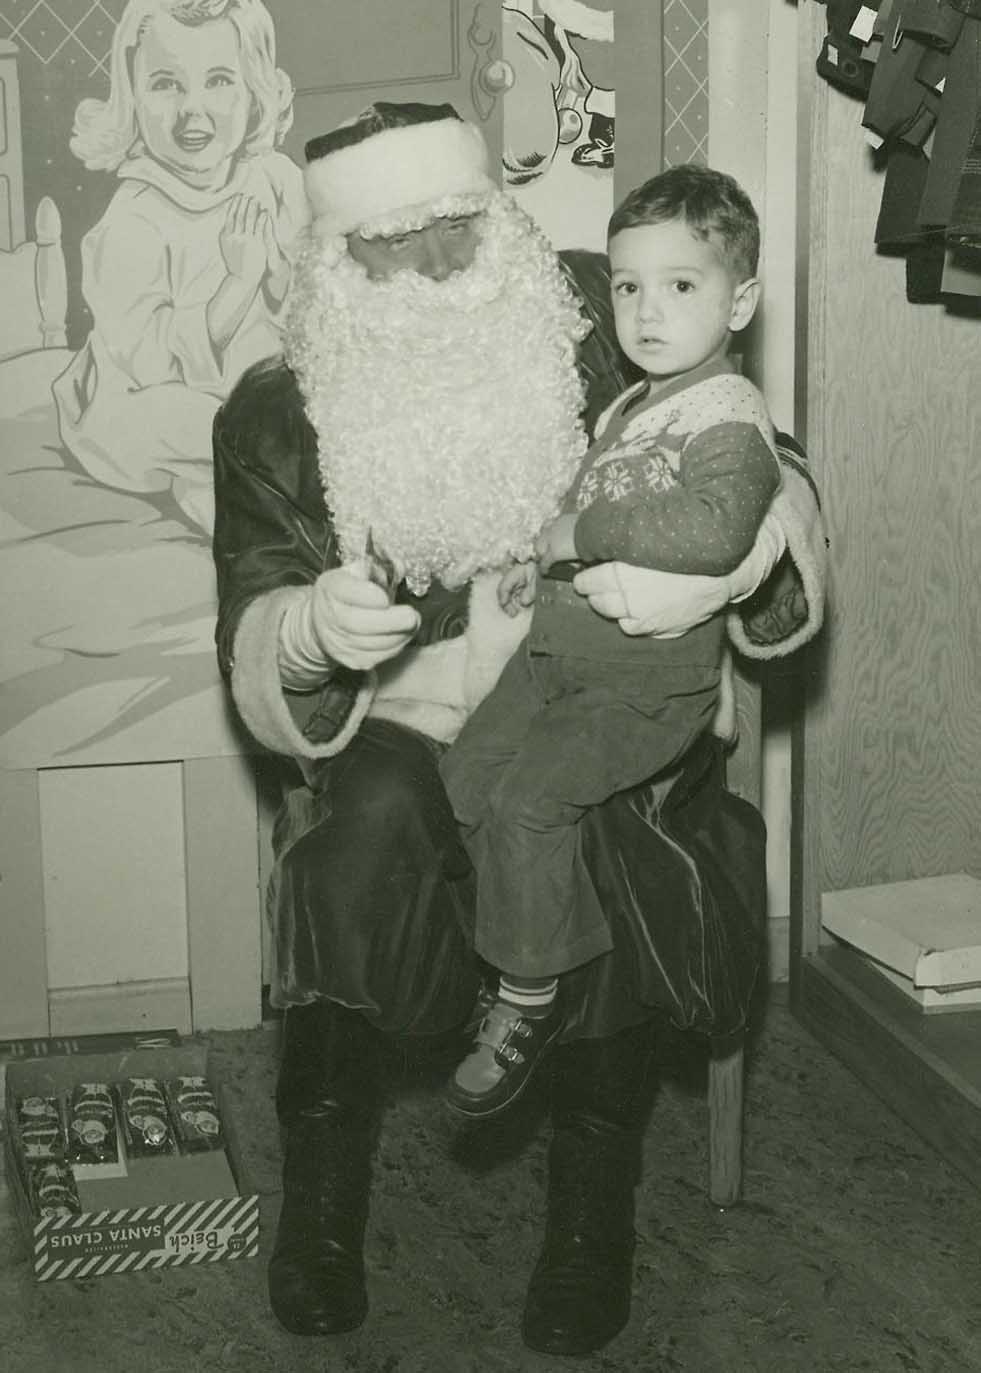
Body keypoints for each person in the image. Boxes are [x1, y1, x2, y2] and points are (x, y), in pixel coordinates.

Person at [212, 101, 826, 1356]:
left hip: (614, 702)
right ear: (338, 264)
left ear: (499, 218)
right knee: (356, 845)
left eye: (459, 226)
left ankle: (589, 1218)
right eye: (393, 244)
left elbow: (767, 458)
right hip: (408, 720)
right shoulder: (276, 415)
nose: (437, 265)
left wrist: (724, 569)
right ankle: (320, 1214)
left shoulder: (605, 311)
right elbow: (255, 624)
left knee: (598, 828)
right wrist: (311, 631)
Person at [441, 164, 781, 1119]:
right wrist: (533, 556)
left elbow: (716, 526)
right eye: (628, 286)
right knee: (461, 784)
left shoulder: (726, 415)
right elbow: (588, 501)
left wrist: (574, 539)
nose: (646, 311)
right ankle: (547, 940)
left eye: (682, 286)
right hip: (552, 659)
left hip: (640, 686)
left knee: (526, 803)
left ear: (740, 299)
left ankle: (531, 996)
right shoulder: (630, 404)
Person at [53, 0, 307, 534]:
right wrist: (238, 284)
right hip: (147, 395)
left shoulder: (277, 178)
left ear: (254, 90)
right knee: (199, 427)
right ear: (133, 97)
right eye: (166, 84)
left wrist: (280, 276)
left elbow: (310, 294)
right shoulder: (131, 223)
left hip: (261, 386)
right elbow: (149, 361)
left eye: (218, 80)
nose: (193, 110)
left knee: (307, 409)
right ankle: (260, 524)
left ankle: (281, 513)